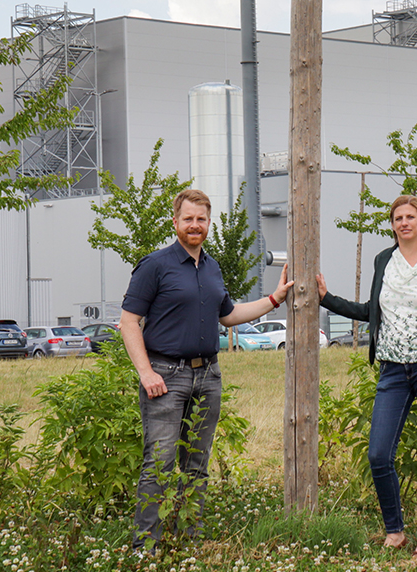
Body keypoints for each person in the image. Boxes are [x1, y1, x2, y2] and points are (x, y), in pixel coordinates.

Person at [120, 189, 293, 551]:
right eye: (188, 219)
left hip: (207, 376)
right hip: (165, 377)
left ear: (208, 223)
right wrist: (146, 372)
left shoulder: (212, 266)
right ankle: (144, 548)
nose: (194, 226)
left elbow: (228, 315)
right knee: (160, 463)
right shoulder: (155, 265)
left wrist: (274, 298)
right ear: (175, 222)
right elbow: (129, 321)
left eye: (201, 220)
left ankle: (190, 538)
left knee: (196, 465)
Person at [317, 195, 417, 556]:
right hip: (391, 369)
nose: (404, 223)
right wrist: (328, 299)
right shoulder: (383, 260)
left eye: (410, 217)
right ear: (392, 224)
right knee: (378, 453)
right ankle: (395, 529)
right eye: (398, 218)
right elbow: (373, 309)